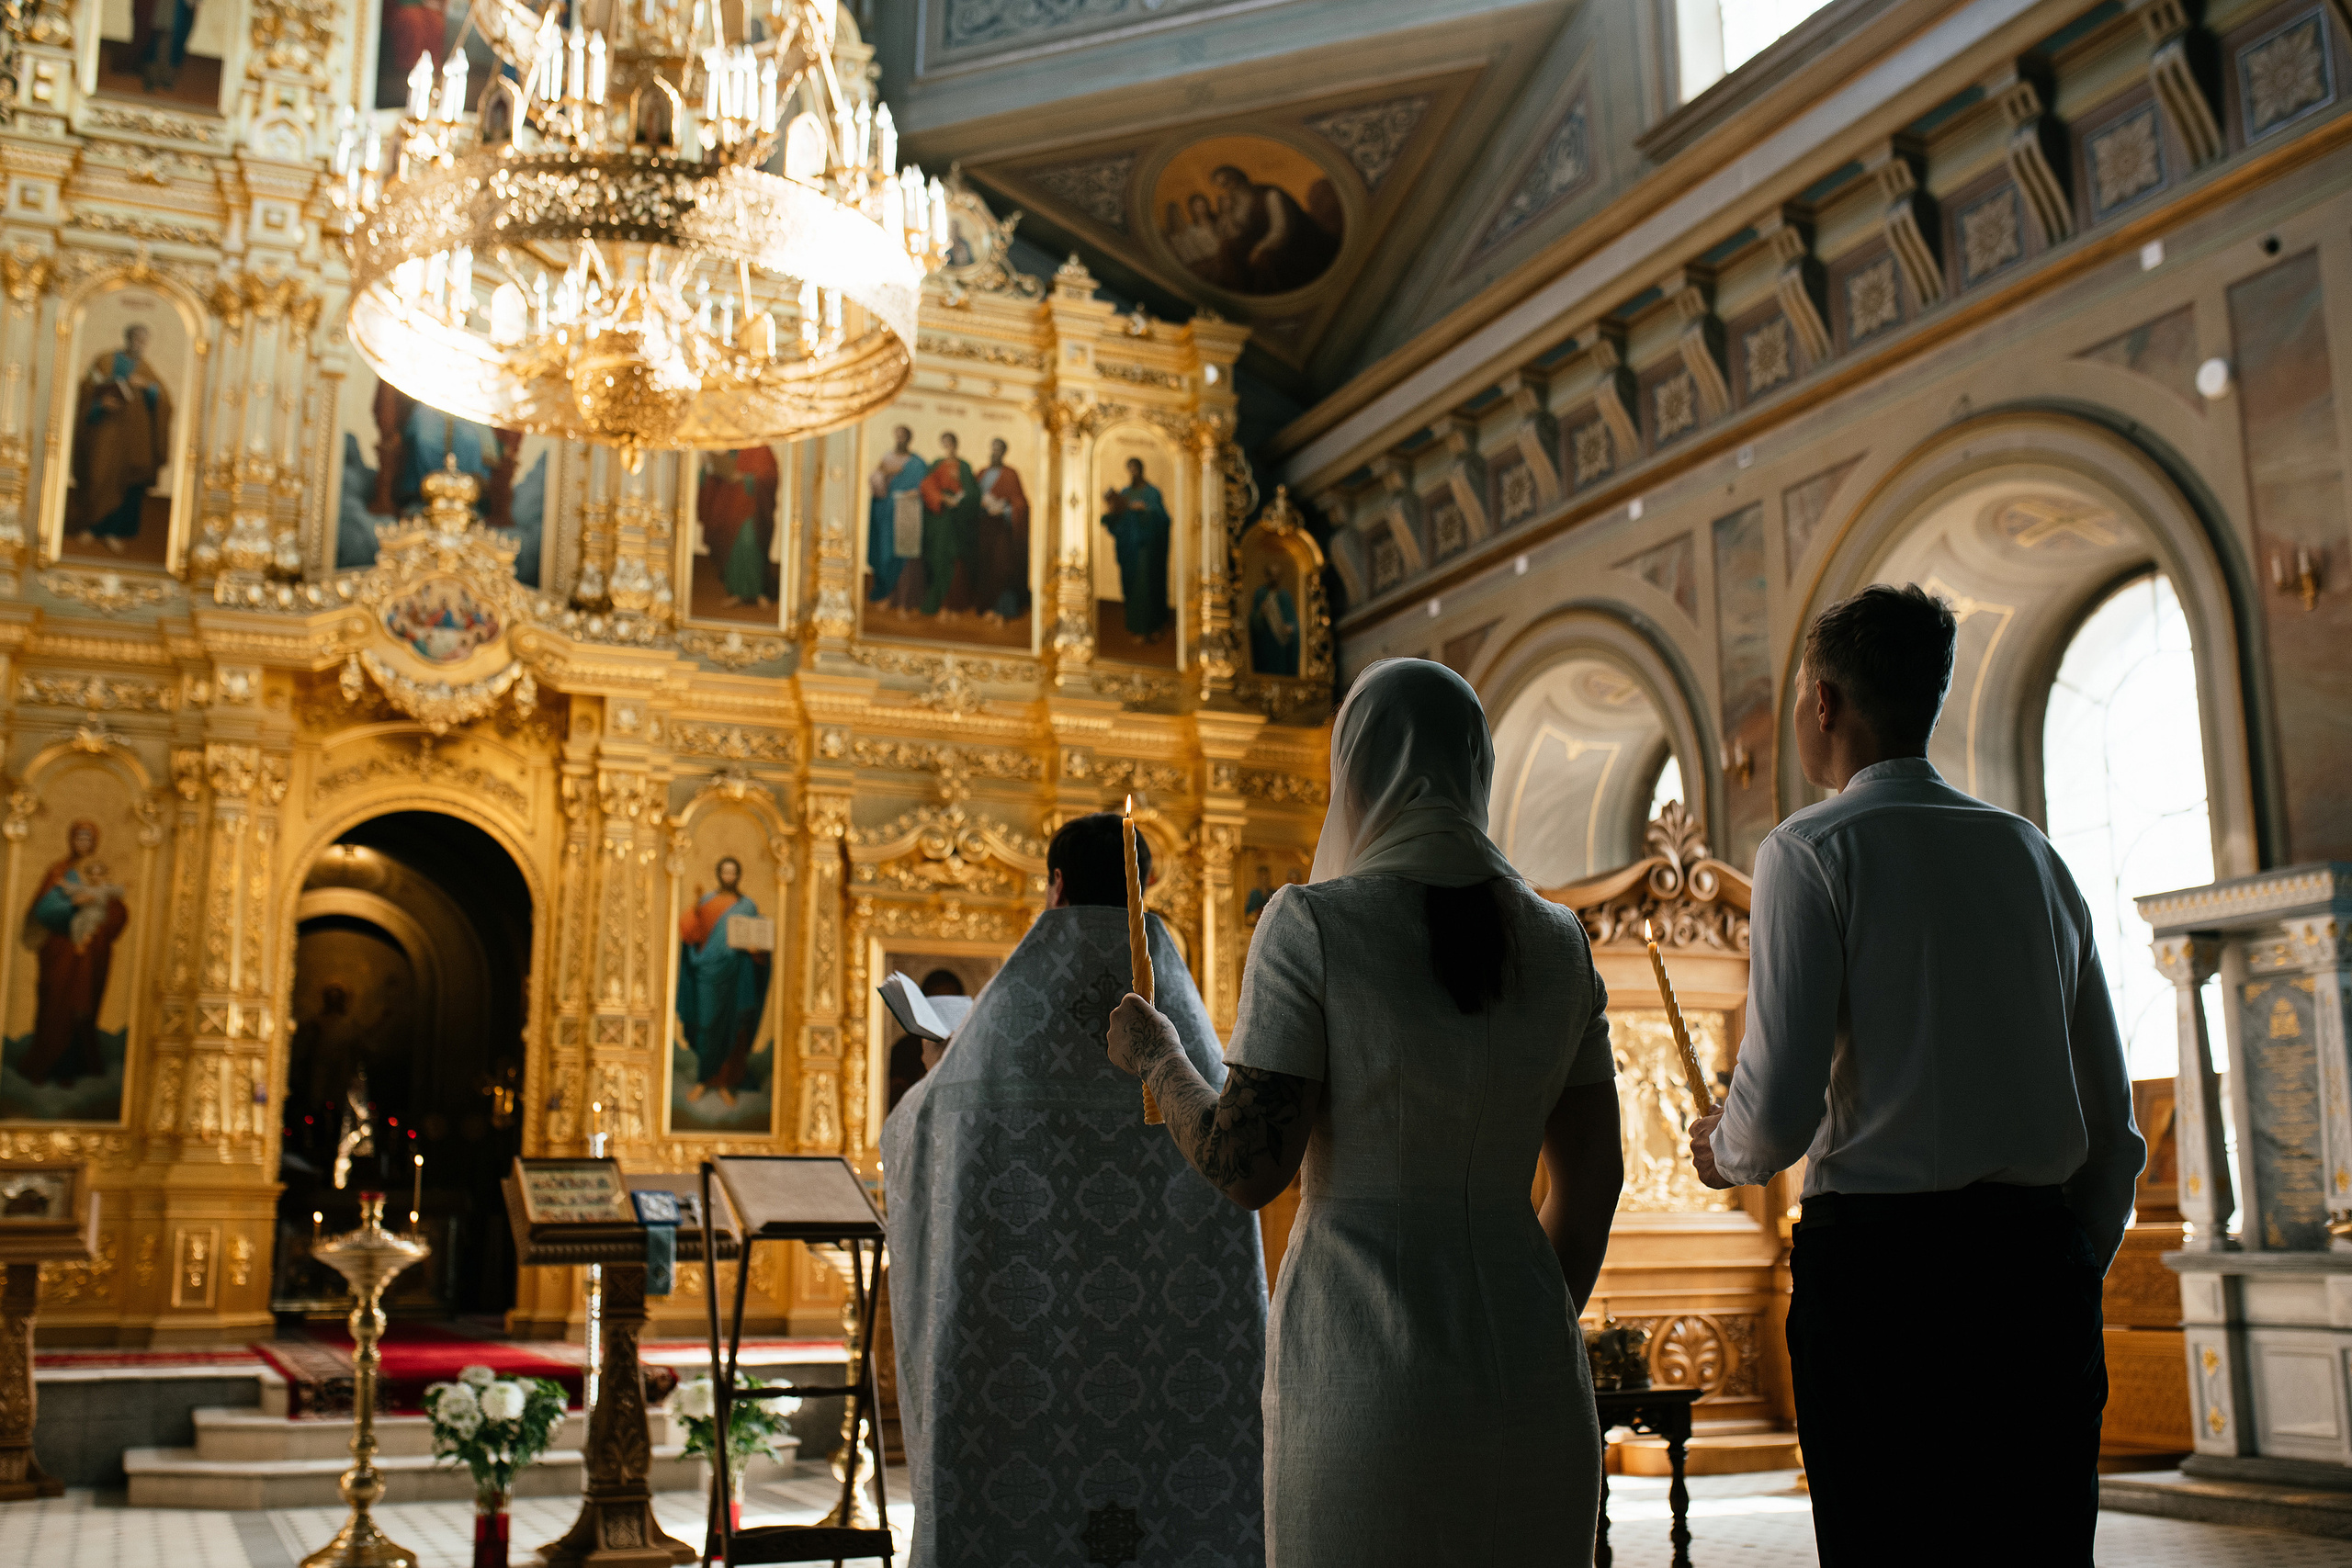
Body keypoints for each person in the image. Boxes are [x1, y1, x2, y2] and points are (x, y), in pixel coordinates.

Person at [1103, 659, 1623, 1566]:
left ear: (1358, 771)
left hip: (1364, 1374)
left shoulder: (1314, 926)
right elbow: (1594, 1182)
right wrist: (1520, 1318)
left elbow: (1246, 1165)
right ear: (1477, 767)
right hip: (1533, 1372)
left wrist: (1158, 1056)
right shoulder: (1560, 942)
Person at [1687, 584, 2143, 1566]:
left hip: (1880, 1283)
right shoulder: (2031, 855)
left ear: (1822, 703)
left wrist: (1722, 1152)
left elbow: (1775, 1116)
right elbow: (2112, 1124)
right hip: (2034, 1268)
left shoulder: (1809, 850)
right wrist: (2063, 1261)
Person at [883, 813, 1266, 1568]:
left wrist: (935, 1074)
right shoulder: (1174, 1004)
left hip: (1027, 1340)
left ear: (1056, 885)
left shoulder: (1014, 1010)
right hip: (1166, 1343)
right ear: (1144, 885)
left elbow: (917, 1132)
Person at [18, 820, 132, 1088]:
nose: (83, 844)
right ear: (71, 840)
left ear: (94, 842)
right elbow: (41, 910)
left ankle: (73, 1069)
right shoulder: (59, 871)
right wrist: (72, 906)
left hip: (89, 956)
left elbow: (116, 910)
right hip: (60, 952)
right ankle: (43, 1065)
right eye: (79, 838)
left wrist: (101, 921)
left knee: (81, 1009)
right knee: (54, 1005)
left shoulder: (97, 871)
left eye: (88, 839)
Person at [675, 856, 771, 1106]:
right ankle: (704, 1079)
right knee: (707, 1025)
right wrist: (694, 911)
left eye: (733, 872)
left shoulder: (747, 906)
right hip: (708, 974)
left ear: (738, 876)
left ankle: (725, 1083)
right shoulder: (706, 902)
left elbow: (759, 945)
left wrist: (756, 950)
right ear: (719, 874)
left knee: (734, 1027)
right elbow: (690, 934)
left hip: (737, 976)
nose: (729, 877)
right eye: (725, 872)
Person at [69, 323, 173, 552]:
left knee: (126, 482)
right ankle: (91, 527)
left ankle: (113, 531)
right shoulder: (105, 361)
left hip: (134, 439)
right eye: (136, 339)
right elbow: (87, 389)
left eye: (144, 341)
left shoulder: (145, 368)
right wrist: (99, 403)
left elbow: (164, 402)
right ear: (128, 339)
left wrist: (148, 388)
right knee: (97, 474)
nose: (140, 345)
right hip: (105, 432)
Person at [1209, 164, 1339, 295]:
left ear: (1238, 178)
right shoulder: (1237, 203)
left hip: (1294, 246)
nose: (1228, 189)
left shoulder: (1271, 194)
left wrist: (1259, 248)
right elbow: (1237, 233)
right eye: (1222, 186)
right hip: (1264, 245)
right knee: (1227, 246)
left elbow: (1281, 230)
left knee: (1264, 258)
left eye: (1228, 182)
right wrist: (1227, 213)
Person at [1101, 457, 1171, 643]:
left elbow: (1163, 519)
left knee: (1148, 586)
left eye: (1136, 468)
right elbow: (1120, 523)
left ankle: (1154, 627)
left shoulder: (1152, 493)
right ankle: (1137, 627)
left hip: (1147, 551)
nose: (1133, 472)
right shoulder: (1125, 493)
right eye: (1130, 469)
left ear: (1141, 469)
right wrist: (1114, 511)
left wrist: (1146, 510)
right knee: (1132, 586)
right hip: (1130, 550)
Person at [917, 431, 980, 615]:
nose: (948, 446)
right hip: (941, 518)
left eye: (951, 442)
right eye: (945, 443)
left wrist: (961, 498)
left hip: (959, 518)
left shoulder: (964, 466)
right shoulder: (937, 464)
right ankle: (941, 604)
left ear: (956, 444)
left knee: (956, 559)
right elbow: (926, 486)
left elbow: (973, 492)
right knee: (940, 558)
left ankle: (954, 605)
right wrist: (942, 498)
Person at [972, 435, 1030, 622]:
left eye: (999, 449)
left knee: (1003, 568)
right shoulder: (982, 473)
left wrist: (1005, 507)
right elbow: (973, 495)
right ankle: (988, 608)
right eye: (993, 448)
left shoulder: (1010, 474)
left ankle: (1003, 611)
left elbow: (1020, 504)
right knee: (986, 568)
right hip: (984, 528)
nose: (995, 452)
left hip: (1002, 530)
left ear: (1004, 452)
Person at [866, 423, 926, 604]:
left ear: (909, 439)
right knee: (884, 553)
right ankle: (885, 593)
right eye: (897, 436)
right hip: (885, 514)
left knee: (902, 555)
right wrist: (884, 474)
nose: (900, 439)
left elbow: (924, 486)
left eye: (903, 436)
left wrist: (915, 492)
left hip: (907, 515)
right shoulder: (887, 458)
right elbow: (875, 482)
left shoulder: (917, 463)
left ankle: (898, 598)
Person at [1249, 560, 1299, 676]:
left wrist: (1291, 628)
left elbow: (1293, 621)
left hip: (1282, 646)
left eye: (1277, 575)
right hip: (1266, 644)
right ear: (1267, 576)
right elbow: (1253, 621)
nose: (1274, 578)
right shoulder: (1261, 594)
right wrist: (1261, 614)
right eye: (1272, 575)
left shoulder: (1285, 596)